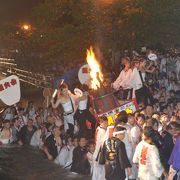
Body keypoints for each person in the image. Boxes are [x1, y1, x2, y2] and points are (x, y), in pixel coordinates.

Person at [92, 116, 108, 180]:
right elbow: (103, 144)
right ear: (100, 123)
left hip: (97, 153)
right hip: (100, 154)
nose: (106, 125)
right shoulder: (102, 131)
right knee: (101, 172)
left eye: (106, 123)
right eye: (104, 123)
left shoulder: (98, 128)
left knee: (97, 173)